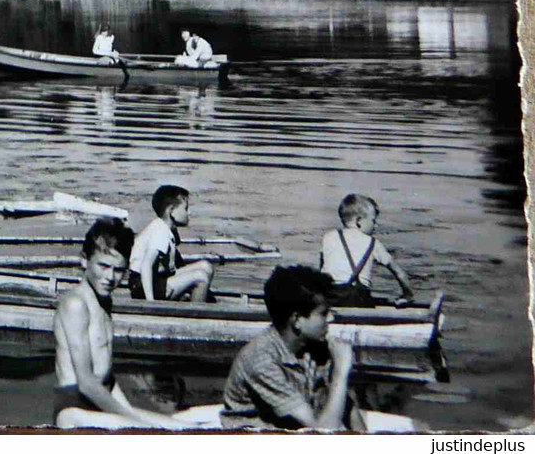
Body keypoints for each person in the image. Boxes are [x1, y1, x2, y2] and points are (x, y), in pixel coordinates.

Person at [53, 217, 191, 430]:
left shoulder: (104, 300)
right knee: (157, 434)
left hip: (102, 402)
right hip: (75, 409)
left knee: (180, 427)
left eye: (118, 270)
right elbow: (87, 383)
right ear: (83, 260)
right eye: (103, 266)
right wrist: (132, 419)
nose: (110, 277)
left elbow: (106, 375)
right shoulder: (76, 304)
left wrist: (130, 410)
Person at [221, 265, 367, 431]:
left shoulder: (315, 349)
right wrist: (341, 373)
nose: (331, 318)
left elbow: (349, 413)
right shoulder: (262, 360)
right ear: (297, 320)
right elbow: (322, 435)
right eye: (323, 313)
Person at [319, 194, 416, 308]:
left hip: (329, 298)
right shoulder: (373, 243)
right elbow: (399, 273)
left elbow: (320, 271)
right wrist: (408, 296)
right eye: (373, 221)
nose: (376, 225)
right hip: (357, 299)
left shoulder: (328, 237)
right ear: (359, 221)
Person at [128, 184, 214, 302]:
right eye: (186, 208)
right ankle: (196, 316)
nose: (190, 213)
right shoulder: (160, 232)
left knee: (206, 266)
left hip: (158, 279)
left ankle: (198, 300)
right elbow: (146, 265)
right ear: (171, 211)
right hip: (142, 286)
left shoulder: (167, 229)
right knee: (201, 277)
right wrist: (150, 302)